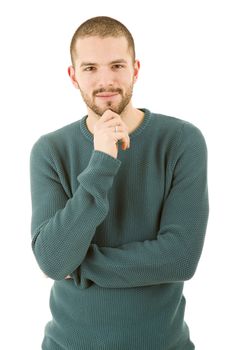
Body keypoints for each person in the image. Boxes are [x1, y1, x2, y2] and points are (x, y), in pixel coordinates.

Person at [30, 16, 209, 350]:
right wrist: (102, 161)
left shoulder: (182, 141)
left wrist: (80, 265)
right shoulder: (50, 150)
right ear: (73, 76)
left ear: (135, 69)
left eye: (116, 65)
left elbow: (180, 259)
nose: (106, 80)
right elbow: (54, 262)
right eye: (90, 68)